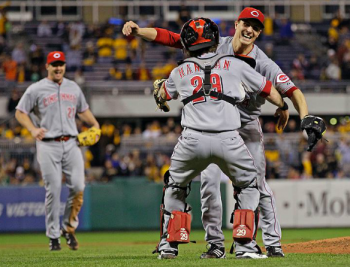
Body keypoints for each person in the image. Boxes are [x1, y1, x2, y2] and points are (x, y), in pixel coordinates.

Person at [123, 7, 314, 258]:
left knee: (258, 184)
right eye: (247, 24)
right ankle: (216, 244)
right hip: (217, 126)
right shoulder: (215, 44)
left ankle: (272, 242)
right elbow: (170, 38)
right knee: (209, 186)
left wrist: (299, 113)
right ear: (236, 23)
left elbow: (293, 91)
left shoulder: (263, 62)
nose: (250, 30)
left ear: (259, 33)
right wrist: (139, 31)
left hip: (244, 125)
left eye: (256, 28)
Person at [153, 17, 289, 260]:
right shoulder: (234, 65)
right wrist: (283, 106)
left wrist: (161, 92)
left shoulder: (179, 70)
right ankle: (245, 246)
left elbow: (162, 94)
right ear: (215, 41)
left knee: (175, 186)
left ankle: (168, 246)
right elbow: (269, 90)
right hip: (229, 139)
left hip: (191, 141)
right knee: (248, 185)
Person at [15, 51, 101, 251]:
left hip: (72, 143)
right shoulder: (36, 89)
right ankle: (53, 236)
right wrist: (32, 129)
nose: (58, 67)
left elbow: (83, 109)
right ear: (47, 66)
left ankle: (68, 229)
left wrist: (95, 123)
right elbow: (20, 113)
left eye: (61, 64)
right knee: (53, 189)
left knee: (78, 187)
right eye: (54, 64)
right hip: (47, 144)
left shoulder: (73, 86)